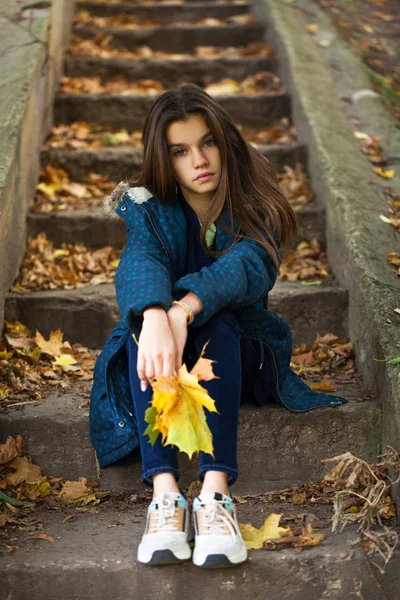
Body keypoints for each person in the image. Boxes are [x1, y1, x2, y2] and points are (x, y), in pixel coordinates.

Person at [90, 83, 347, 568]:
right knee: (140, 333)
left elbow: (248, 266)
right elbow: (138, 262)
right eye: (181, 151)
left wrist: (184, 309)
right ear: (165, 160)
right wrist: (154, 314)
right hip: (166, 360)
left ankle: (214, 494)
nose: (199, 160)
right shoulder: (150, 208)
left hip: (236, 353)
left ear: (224, 141)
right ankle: (165, 495)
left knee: (220, 320)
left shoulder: (252, 202)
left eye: (207, 142)